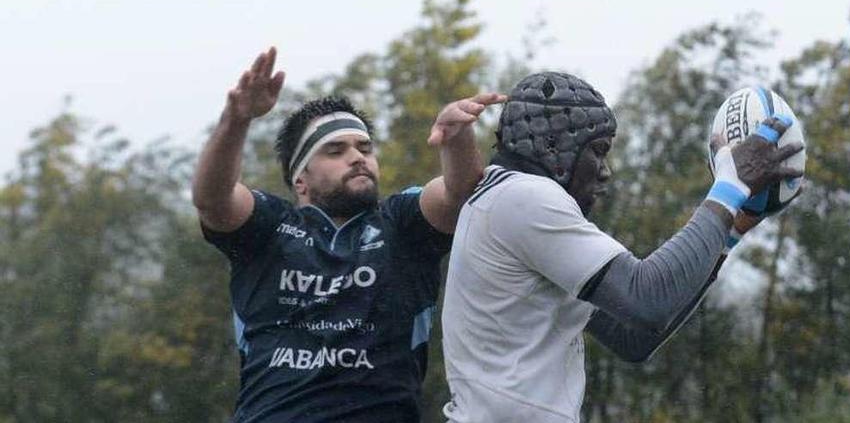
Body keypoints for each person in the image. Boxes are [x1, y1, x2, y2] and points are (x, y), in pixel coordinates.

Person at [440, 71, 803, 423]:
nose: (605, 171)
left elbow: (633, 337)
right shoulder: (525, 198)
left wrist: (729, 232)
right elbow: (647, 299)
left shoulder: (507, 200)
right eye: (598, 151)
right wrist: (729, 186)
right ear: (553, 147)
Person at [191, 47, 505, 422]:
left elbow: (462, 194)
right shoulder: (269, 228)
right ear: (300, 180)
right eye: (335, 150)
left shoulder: (402, 224)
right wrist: (236, 120)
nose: (357, 157)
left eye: (364, 148)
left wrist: (458, 138)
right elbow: (211, 199)